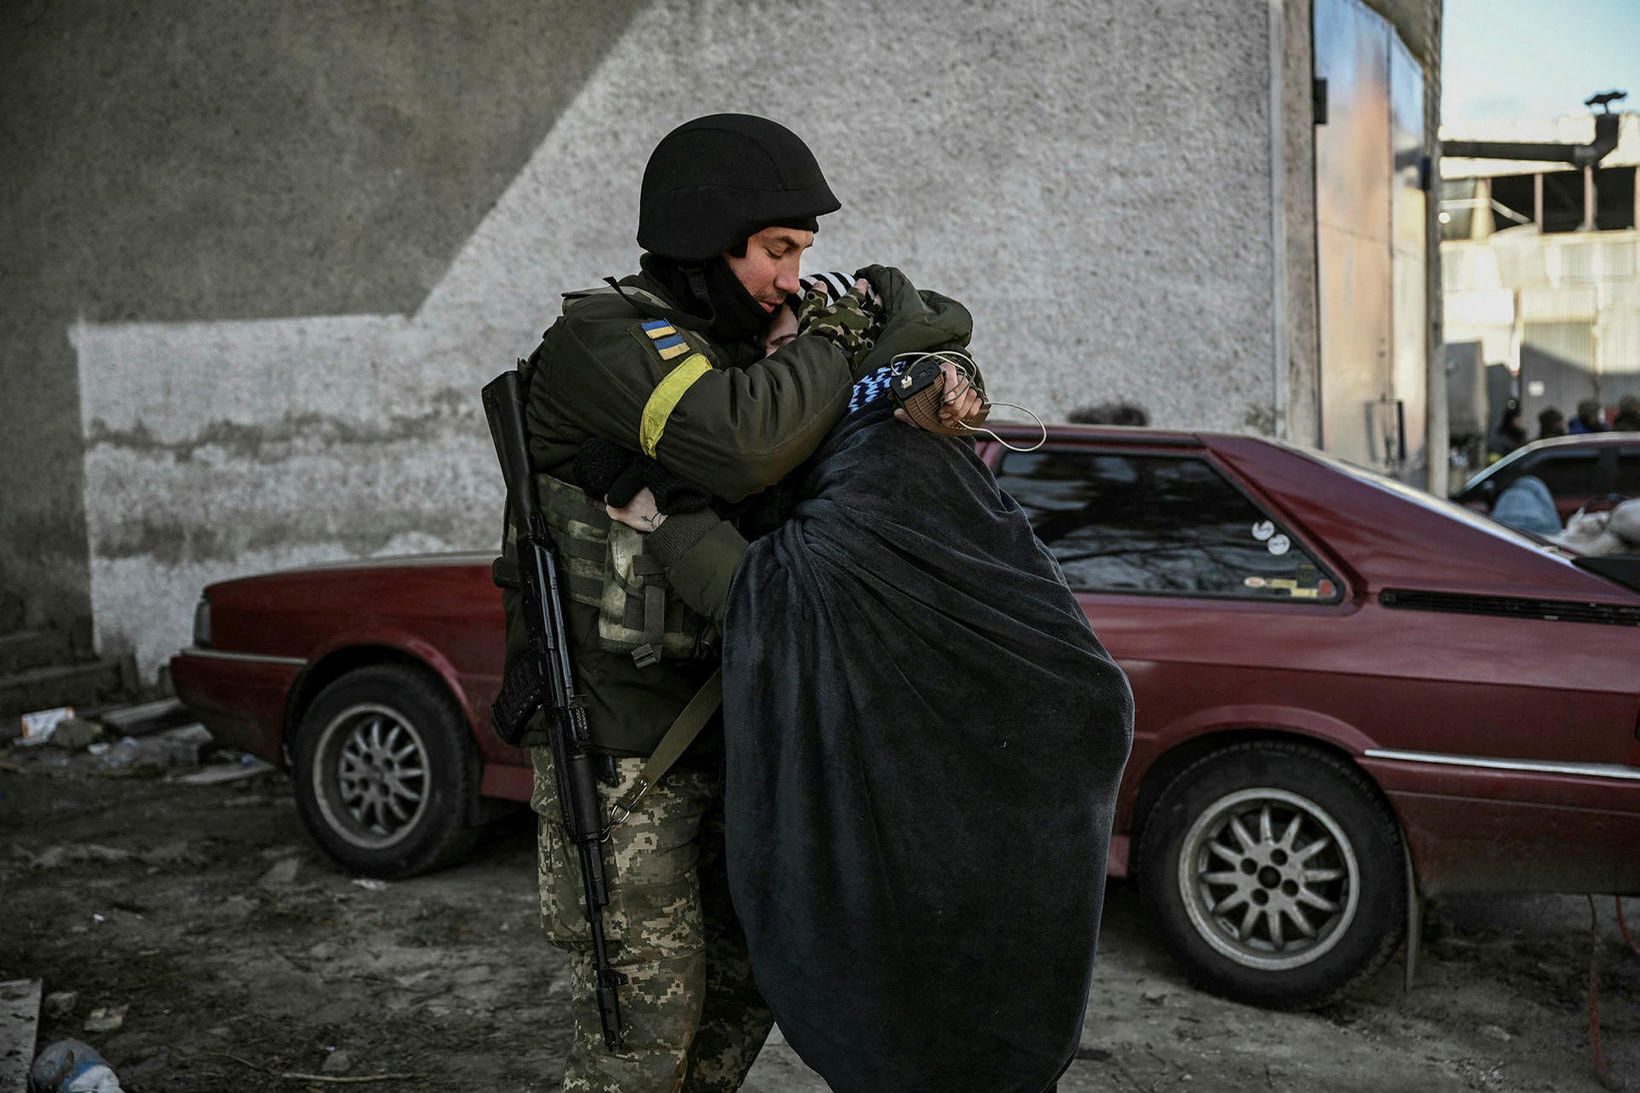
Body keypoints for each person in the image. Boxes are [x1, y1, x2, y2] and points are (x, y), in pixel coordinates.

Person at [500, 113, 985, 1093]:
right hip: (621, 752)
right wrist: (831, 343)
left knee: (748, 989)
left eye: (802, 254)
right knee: (640, 1037)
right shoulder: (605, 337)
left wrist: (927, 369)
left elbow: (927, 331)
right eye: (775, 251)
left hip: (742, 733)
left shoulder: (755, 349)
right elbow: (737, 445)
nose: (793, 279)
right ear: (702, 238)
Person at [598, 279, 1134, 1093]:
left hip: (998, 776)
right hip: (982, 779)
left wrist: (665, 521)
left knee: (937, 1016)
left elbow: (782, 598)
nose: (774, 383)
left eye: (789, 355)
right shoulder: (870, 441)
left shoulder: (883, 448)